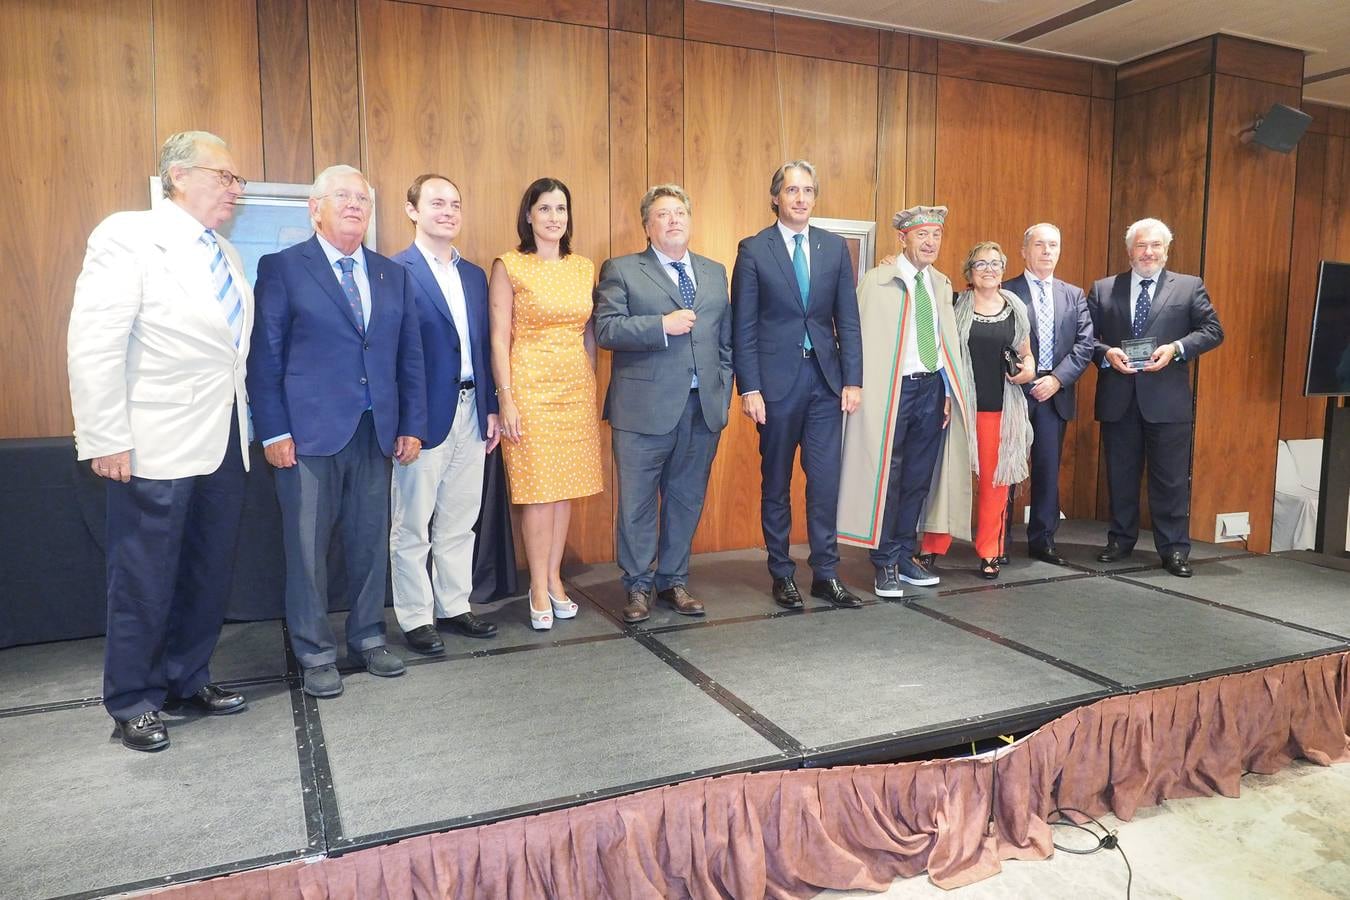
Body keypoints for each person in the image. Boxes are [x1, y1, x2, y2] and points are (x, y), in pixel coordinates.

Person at [68, 130, 252, 751]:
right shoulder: (127, 235)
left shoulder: (224, 253)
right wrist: (104, 437)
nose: (235, 188)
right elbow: (95, 342)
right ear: (178, 176)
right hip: (153, 439)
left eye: (237, 180)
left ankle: (186, 677)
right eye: (224, 176)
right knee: (144, 575)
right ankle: (132, 698)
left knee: (207, 569)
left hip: (226, 439)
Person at [248, 165, 427, 698]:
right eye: (342, 197)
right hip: (306, 436)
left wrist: (412, 423)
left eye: (363, 199)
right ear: (315, 207)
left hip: (377, 431)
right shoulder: (282, 268)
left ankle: (369, 637)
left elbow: (408, 356)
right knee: (306, 548)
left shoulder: (390, 274)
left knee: (370, 543)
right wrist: (273, 430)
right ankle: (314, 650)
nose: (354, 205)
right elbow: (265, 357)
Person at [595, 184, 733, 623]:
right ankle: (637, 587)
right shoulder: (622, 269)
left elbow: (724, 342)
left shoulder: (713, 272)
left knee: (686, 498)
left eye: (680, 213)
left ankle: (673, 579)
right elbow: (607, 330)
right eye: (662, 214)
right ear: (647, 226)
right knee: (636, 503)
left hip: (701, 410)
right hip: (641, 411)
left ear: (691, 221)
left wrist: (722, 390)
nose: (673, 220)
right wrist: (661, 325)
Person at [731, 160, 864, 611]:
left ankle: (826, 572)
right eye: (792, 190)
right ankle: (782, 573)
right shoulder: (754, 250)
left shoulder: (833, 247)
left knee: (824, 482)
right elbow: (742, 326)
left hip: (826, 382)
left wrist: (854, 379)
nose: (801, 198)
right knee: (777, 482)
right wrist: (749, 388)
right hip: (775, 385)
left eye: (808, 190)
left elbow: (847, 318)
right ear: (776, 198)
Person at [388, 175, 500, 655]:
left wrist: (492, 407)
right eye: (437, 203)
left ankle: (455, 605)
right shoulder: (394, 271)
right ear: (412, 210)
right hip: (423, 417)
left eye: (455, 203)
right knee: (412, 523)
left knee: (460, 518)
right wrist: (406, 424)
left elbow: (485, 347)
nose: (448, 211)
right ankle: (416, 617)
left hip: (473, 411)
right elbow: (393, 357)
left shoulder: (473, 275)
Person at [839, 205, 972, 596]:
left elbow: (947, 343)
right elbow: (857, 339)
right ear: (903, 239)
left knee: (917, 476)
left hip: (931, 388)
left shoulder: (942, 284)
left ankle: (902, 553)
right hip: (893, 389)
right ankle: (883, 561)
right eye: (922, 236)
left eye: (936, 236)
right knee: (888, 476)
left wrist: (947, 390)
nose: (930, 243)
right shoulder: (877, 281)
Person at [489, 177, 602, 630]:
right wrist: (507, 399)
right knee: (538, 493)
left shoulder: (583, 266)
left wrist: (590, 383)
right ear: (529, 214)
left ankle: (555, 579)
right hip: (529, 387)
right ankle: (537, 584)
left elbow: (589, 333)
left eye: (561, 209)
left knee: (564, 490)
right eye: (546, 209)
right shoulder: (510, 265)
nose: (554, 217)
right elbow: (499, 337)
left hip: (574, 388)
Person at [1088, 217, 1224, 577]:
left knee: (1171, 479)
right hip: (1119, 397)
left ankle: (1174, 549)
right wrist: (1105, 354)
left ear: (1166, 250)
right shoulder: (1103, 289)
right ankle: (1120, 540)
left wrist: (1177, 348)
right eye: (1141, 246)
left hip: (1167, 401)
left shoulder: (1189, 287)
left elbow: (1213, 331)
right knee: (1121, 475)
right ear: (1129, 250)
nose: (1148, 252)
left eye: (1155, 246)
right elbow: (1086, 338)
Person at [919, 242, 1036, 578]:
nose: (989, 269)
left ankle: (989, 551)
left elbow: (1026, 354)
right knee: (947, 481)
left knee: (994, 485)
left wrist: (1028, 370)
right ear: (969, 271)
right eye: (981, 263)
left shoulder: (1015, 308)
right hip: (957, 408)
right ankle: (931, 547)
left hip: (1001, 410)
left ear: (1003, 269)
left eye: (996, 263)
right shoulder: (953, 304)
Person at [1001, 223, 1094, 565]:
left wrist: (1056, 379)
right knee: (1007, 470)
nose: (1047, 251)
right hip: (1013, 393)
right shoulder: (1004, 290)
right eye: (1039, 245)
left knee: (1046, 470)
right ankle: (998, 542)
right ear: (1024, 251)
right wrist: (1023, 377)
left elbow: (1085, 345)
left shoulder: (1074, 295)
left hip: (1055, 394)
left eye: (1053, 245)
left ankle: (1042, 540)